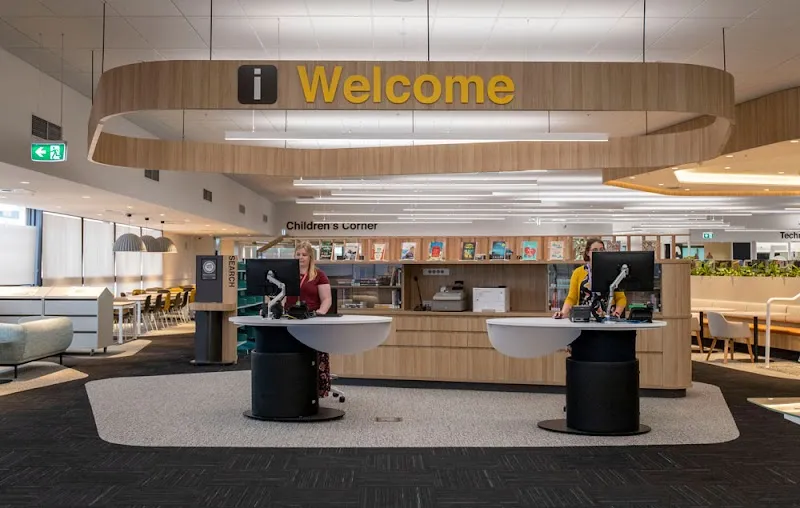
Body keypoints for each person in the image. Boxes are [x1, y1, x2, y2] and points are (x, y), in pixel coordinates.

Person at [284, 241, 333, 397]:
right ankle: (292, 389)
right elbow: (280, 296)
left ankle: (317, 390)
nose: (301, 257)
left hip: (312, 319)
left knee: (314, 356)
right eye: (298, 254)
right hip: (290, 319)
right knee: (292, 356)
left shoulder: (319, 275)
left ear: (310, 256)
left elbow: (326, 299)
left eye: (304, 255)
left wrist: (320, 313)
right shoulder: (287, 274)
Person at [553, 238, 627, 319]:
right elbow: (571, 298)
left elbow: (621, 298)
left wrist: (617, 313)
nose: (598, 252)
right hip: (584, 318)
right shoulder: (578, 272)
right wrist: (563, 313)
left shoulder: (612, 272)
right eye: (595, 250)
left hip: (607, 319)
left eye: (601, 250)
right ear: (588, 252)